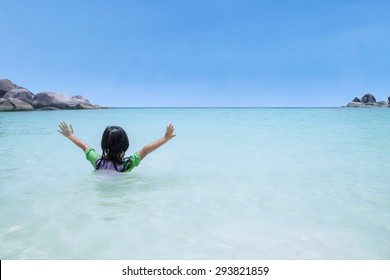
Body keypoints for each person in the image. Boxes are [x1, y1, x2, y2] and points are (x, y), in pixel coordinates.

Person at [58, 122, 175, 172]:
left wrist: (70, 135)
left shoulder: (98, 162)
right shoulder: (127, 165)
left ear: (104, 144)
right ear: (125, 145)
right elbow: (145, 150)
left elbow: (84, 146)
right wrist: (165, 138)